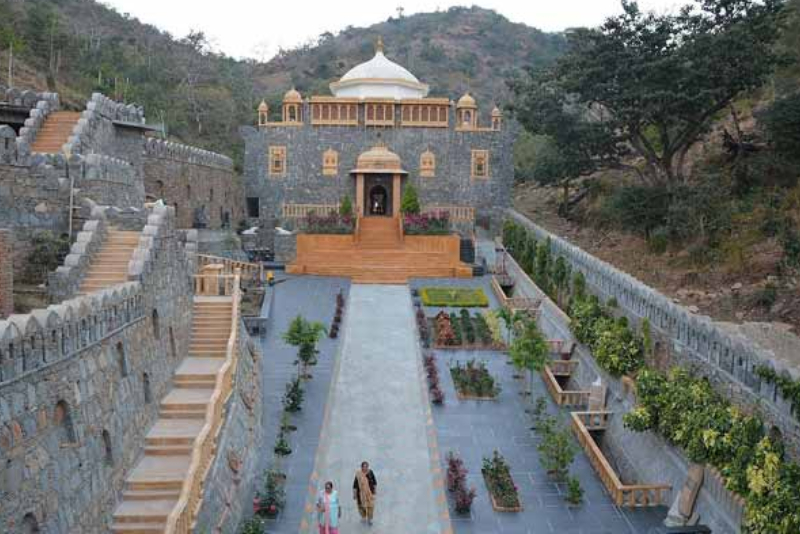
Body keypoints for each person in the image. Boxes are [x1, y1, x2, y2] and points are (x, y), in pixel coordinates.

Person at [353, 461, 377, 525]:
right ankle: (363, 517)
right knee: (361, 506)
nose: (365, 468)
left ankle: (369, 519)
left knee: (371, 506)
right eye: (364, 467)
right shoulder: (358, 474)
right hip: (360, 494)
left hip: (370, 493)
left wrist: (374, 490)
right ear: (361, 467)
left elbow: (374, 482)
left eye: (366, 467)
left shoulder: (370, 472)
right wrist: (354, 494)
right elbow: (355, 485)